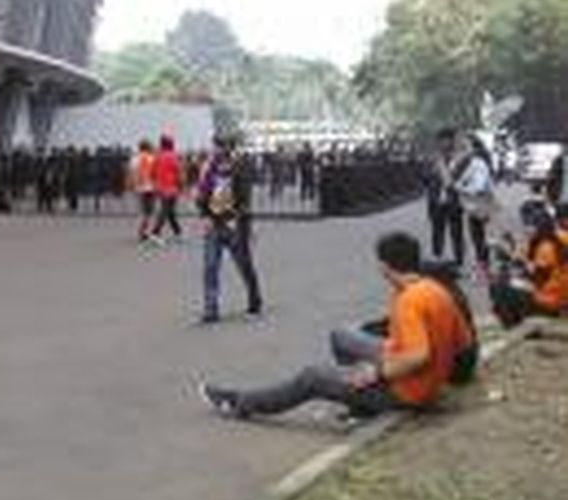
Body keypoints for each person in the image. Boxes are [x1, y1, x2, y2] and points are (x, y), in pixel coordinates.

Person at [201, 232, 475, 419]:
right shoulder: (436, 289)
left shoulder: (409, 301)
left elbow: (419, 355)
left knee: (312, 376)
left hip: (406, 391)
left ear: (385, 266)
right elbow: (462, 342)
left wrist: (378, 373)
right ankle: (360, 402)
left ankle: (240, 403)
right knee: (342, 335)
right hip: (410, 371)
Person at [196, 134, 263, 322]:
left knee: (244, 265)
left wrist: (243, 222)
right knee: (210, 267)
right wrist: (204, 213)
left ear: (229, 148)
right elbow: (203, 193)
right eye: (215, 145)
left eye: (220, 146)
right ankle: (211, 309)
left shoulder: (240, 167)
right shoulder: (210, 168)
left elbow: (245, 197)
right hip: (214, 223)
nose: (216, 149)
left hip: (234, 224)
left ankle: (255, 302)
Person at [490, 199, 568, 328]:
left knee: (501, 287)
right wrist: (511, 252)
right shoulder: (558, 237)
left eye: (529, 227)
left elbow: (537, 276)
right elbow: (525, 256)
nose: (527, 230)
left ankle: (515, 327)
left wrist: (515, 263)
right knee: (508, 282)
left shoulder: (547, 247)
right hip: (558, 291)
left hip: (552, 298)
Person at [455, 134, 496, 276]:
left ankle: (484, 268)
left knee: (480, 237)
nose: (462, 150)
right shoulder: (475, 163)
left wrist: (461, 188)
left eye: (465, 147)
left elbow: (479, 186)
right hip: (478, 204)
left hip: (479, 203)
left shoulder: (478, 163)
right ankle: (483, 267)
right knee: (479, 236)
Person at [426, 128, 465, 266]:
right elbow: (424, 178)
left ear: (452, 141)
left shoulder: (459, 158)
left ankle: (459, 261)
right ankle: (437, 259)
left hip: (454, 201)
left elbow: (464, 178)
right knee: (437, 232)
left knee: (457, 234)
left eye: (448, 139)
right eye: (442, 140)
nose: (445, 143)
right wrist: (433, 173)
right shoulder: (432, 159)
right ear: (438, 142)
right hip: (436, 201)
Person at [151, 134, 183, 240]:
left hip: (160, 187)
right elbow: (178, 173)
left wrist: (156, 182)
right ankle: (156, 232)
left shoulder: (157, 156)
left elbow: (152, 173)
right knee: (166, 211)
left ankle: (177, 232)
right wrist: (181, 186)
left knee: (169, 211)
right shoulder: (173, 156)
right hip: (171, 188)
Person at [129, 139, 158, 244]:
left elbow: (131, 174)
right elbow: (155, 174)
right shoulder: (152, 158)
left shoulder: (134, 159)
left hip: (139, 187)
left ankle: (143, 230)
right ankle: (143, 231)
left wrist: (132, 186)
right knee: (149, 211)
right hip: (150, 187)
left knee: (143, 210)